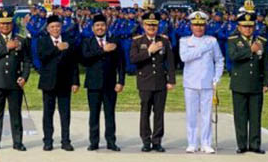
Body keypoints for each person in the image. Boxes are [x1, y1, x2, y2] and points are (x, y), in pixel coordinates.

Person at [0, 10, 31, 151]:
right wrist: (6, 47)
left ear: (12, 24)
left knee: (15, 113)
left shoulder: (21, 39)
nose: (5, 27)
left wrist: (24, 77)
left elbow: (27, 61)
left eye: (8, 23)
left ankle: (17, 142)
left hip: (14, 81)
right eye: (2, 24)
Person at [130, 11, 175, 152]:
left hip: (160, 81)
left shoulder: (164, 41)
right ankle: (146, 140)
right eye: (148, 25)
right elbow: (133, 59)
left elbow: (170, 62)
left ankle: (157, 141)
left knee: (159, 112)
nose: (151, 27)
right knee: (145, 112)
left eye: (154, 25)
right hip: (145, 81)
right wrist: (149, 51)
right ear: (143, 26)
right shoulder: (137, 41)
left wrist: (171, 80)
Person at [179, 11, 223, 153]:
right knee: (191, 114)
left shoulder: (212, 41)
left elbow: (219, 60)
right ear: (191, 26)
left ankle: (206, 142)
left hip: (207, 83)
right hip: (191, 83)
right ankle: (192, 142)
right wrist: (202, 49)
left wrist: (217, 77)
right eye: (196, 25)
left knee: (206, 114)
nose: (199, 28)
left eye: (201, 25)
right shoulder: (185, 41)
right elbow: (184, 57)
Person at [227, 8, 268, 154]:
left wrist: (267, 82)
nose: (248, 29)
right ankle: (242, 144)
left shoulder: (261, 41)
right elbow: (233, 56)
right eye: (245, 26)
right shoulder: (233, 40)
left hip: (256, 84)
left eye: (250, 26)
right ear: (239, 27)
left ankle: (255, 144)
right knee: (240, 116)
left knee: (255, 116)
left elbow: (265, 63)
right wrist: (250, 50)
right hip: (239, 83)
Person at [80, 13, 124, 151]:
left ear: (106, 26)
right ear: (93, 28)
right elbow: (85, 59)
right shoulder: (88, 41)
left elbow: (121, 63)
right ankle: (94, 142)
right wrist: (102, 50)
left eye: (102, 25)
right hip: (93, 84)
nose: (100, 28)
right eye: (97, 25)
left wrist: (120, 81)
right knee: (94, 114)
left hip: (110, 84)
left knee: (110, 113)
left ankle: (111, 141)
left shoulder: (114, 41)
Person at [38, 14, 79, 151]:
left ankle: (66, 140)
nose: (55, 29)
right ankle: (48, 140)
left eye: (58, 26)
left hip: (65, 82)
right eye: (52, 27)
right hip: (48, 82)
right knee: (48, 113)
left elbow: (74, 63)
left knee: (65, 113)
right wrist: (57, 49)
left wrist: (75, 82)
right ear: (48, 29)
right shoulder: (43, 41)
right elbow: (42, 57)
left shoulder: (69, 40)